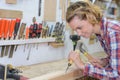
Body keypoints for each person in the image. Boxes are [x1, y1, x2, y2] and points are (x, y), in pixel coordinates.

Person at [66, 1, 120, 80]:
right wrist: (104, 62)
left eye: (79, 28)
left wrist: (83, 66)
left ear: (90, 17)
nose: (79, 33)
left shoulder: (113, 33)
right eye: (75, 30)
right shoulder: (102, 33)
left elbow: (117, 75)